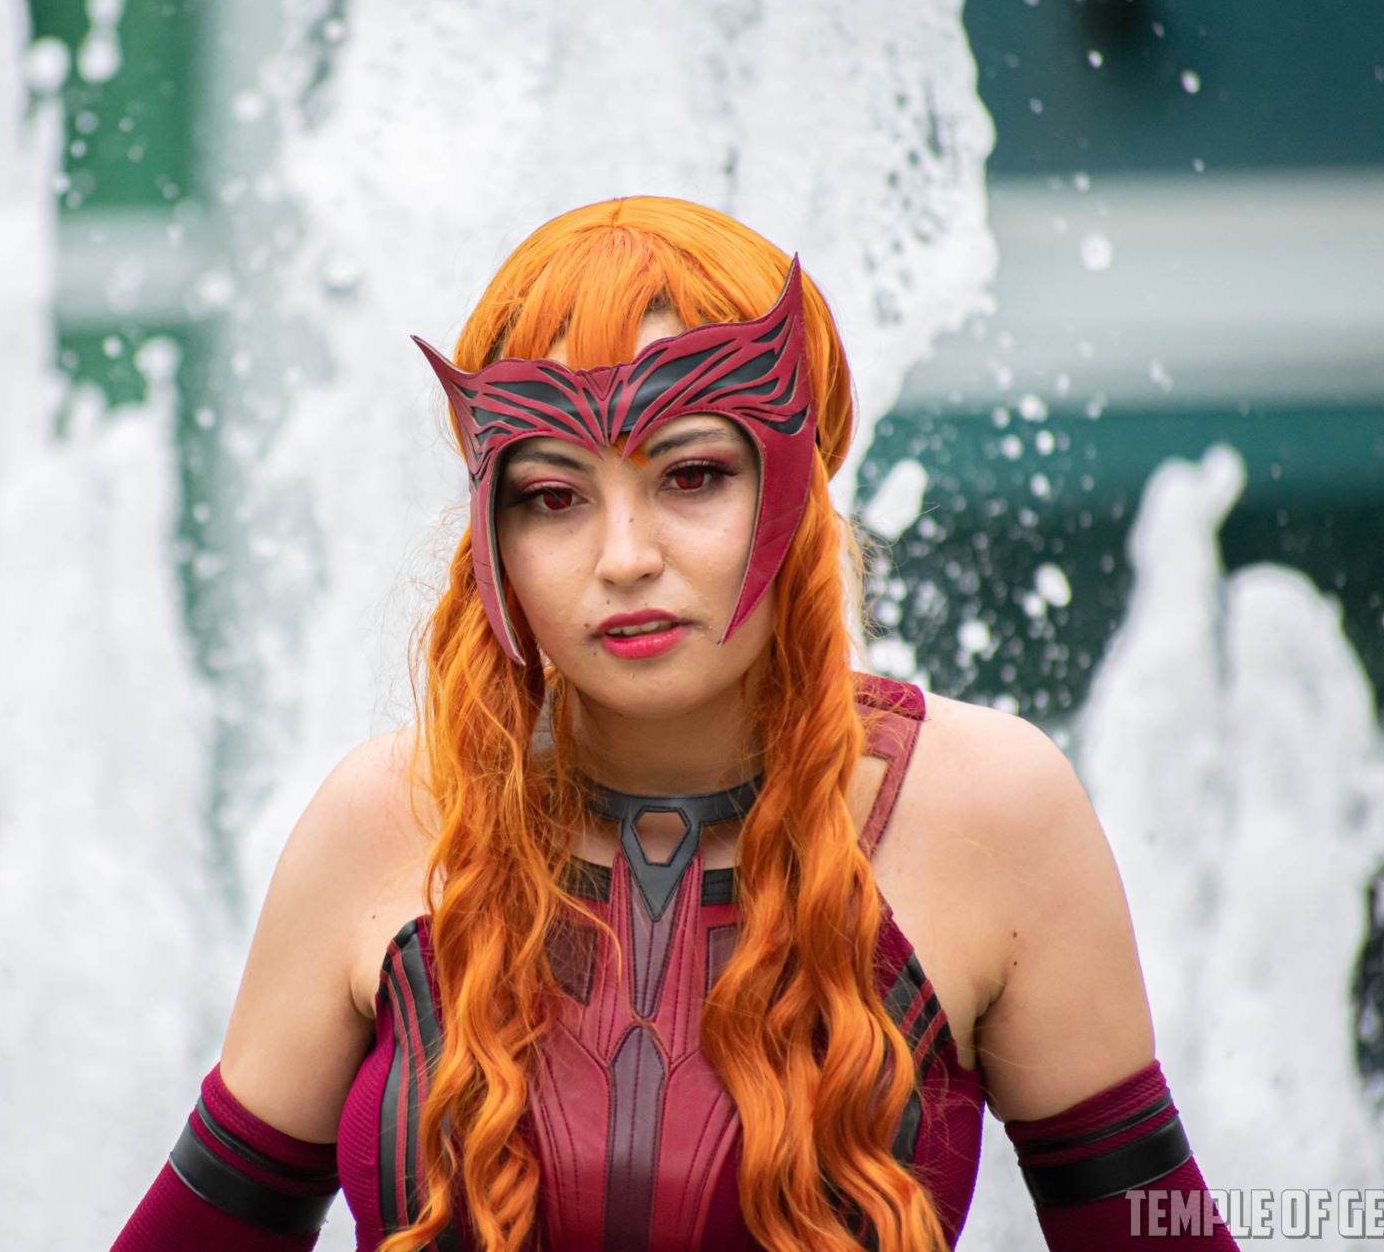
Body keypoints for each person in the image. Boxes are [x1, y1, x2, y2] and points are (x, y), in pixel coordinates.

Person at [111, 197, 1237, 1251]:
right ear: (493, 534)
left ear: (795, 484)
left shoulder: (992, 809)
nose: (624, 557)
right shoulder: (387, 819)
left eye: (692, 475)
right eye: (554, 496)